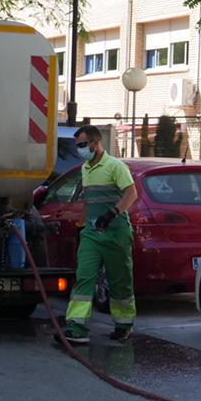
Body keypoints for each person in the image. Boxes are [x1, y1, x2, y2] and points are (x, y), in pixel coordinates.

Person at [62, 125, 138, 344]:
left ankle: (124, 325)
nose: (80, 150)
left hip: (116, 233)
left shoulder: (116, 166)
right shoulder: (85, 169)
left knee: (120, 280)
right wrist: (81, 224)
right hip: (93, 234)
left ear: (96, 143)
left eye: (83, 145)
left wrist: (112, 213)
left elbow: (131, 194)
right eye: (78, 146)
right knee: (85, 276)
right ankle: (76, 327)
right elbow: (89, 200)